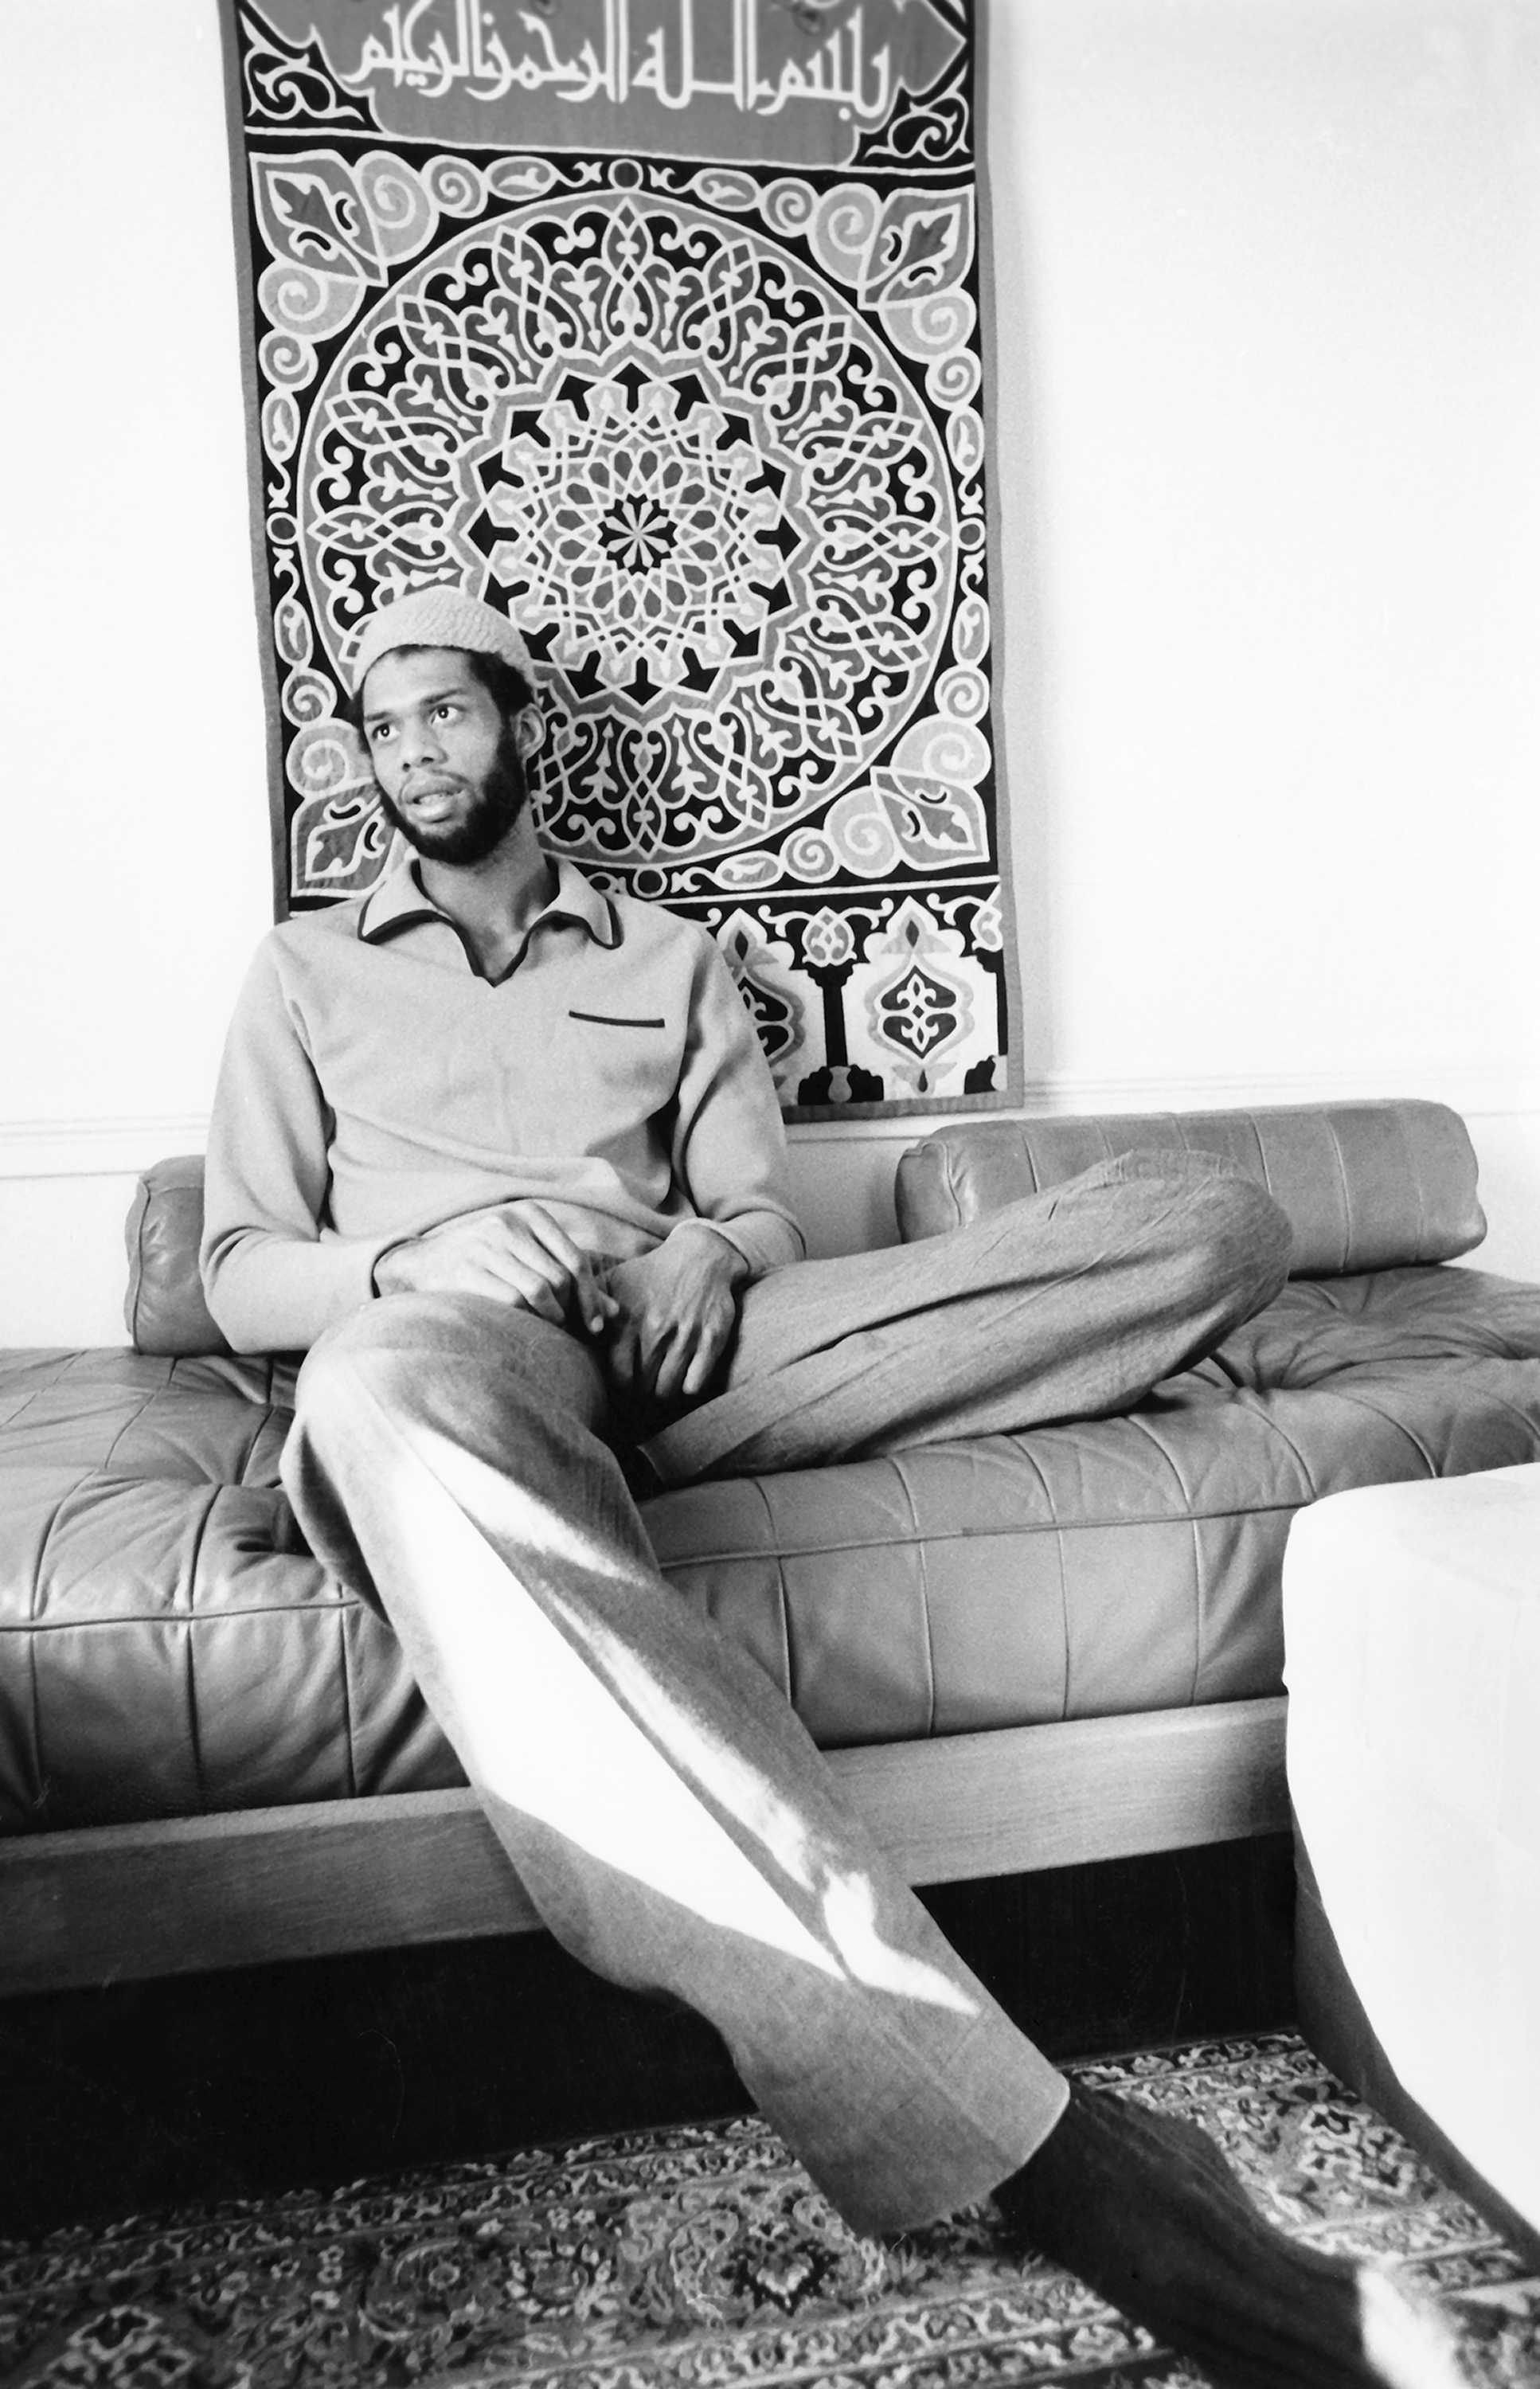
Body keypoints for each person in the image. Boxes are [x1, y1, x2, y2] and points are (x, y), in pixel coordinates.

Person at [202, 586, 1460, 2389]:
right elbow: (233, 1262)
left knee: (1212, 1218)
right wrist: (420, 1267)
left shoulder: (667, 960)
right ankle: (1060, 2159)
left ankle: (515, 1462)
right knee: (387, 1398)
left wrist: (716, 1257)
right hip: (460, 1355)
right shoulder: (302, 973)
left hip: (709, 1356)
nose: (413, 755)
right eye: (382, 731)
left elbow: (763, 1208)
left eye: (445, 716)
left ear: (518, 727)